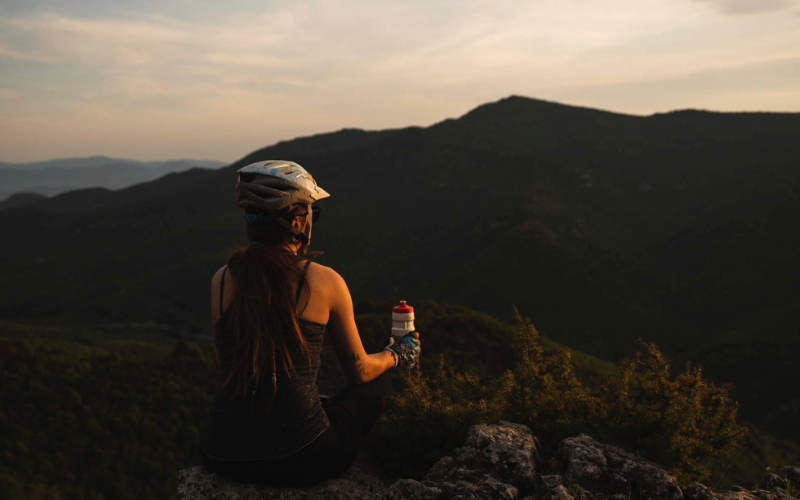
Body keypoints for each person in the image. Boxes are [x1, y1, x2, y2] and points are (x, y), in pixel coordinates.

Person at [199, 160, 421, 486]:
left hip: (220, 453)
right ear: (298, 220)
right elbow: (359, 370)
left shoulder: (222, 280)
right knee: (379, 383)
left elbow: (230, 366)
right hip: (302, 455)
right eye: (312, 214)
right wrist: (398, 353)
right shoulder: (325, 281)